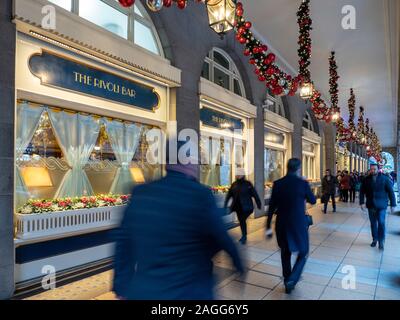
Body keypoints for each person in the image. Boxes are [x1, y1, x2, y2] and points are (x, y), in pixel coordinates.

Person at [112, 141, 244, 300]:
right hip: (190, 290)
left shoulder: (141, 192)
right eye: (196, 160)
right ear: (188, 161)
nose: (197, 165)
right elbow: (221, 236)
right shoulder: (200, 195)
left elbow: (124, 242)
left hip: (146, 290)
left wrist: (121, 286)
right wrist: (238, 263)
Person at [265, 158, 316, 294]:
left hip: (281, 224)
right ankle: (292, 279)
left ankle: (288, 279)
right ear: (299, 169)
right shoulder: (303, 184)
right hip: (298, 225)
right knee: (303, 251)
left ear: (287, 168)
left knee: (285, 253)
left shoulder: (278, 184)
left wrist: (268, 226)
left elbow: (271, 207)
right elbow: (313, 200)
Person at [360, 163, 396, 250]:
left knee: (381, 222)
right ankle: (375, 239)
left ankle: (381, 241)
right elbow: (362, 191)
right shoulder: (366, 179)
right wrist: (361, 202)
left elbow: (391, 192)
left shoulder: (384, 178)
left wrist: (393, 204)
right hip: (371, 205)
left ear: (378, 169)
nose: (373, 171)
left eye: (374, 169)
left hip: (382, 205)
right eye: (371, 169)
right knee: (373, 224)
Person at [225, 170, 262, 245]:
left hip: (247, 207)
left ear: (243, 175)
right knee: (241, 221)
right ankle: (244, 236)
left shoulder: (248, 184)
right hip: (237, 207)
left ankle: (244, 236)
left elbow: (254, 194)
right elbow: (229, 195)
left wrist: (258, 203)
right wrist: (225, 204)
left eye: (239, 174)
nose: (237, 175)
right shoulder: (234, 184)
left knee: (242, 220)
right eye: (237, 174)